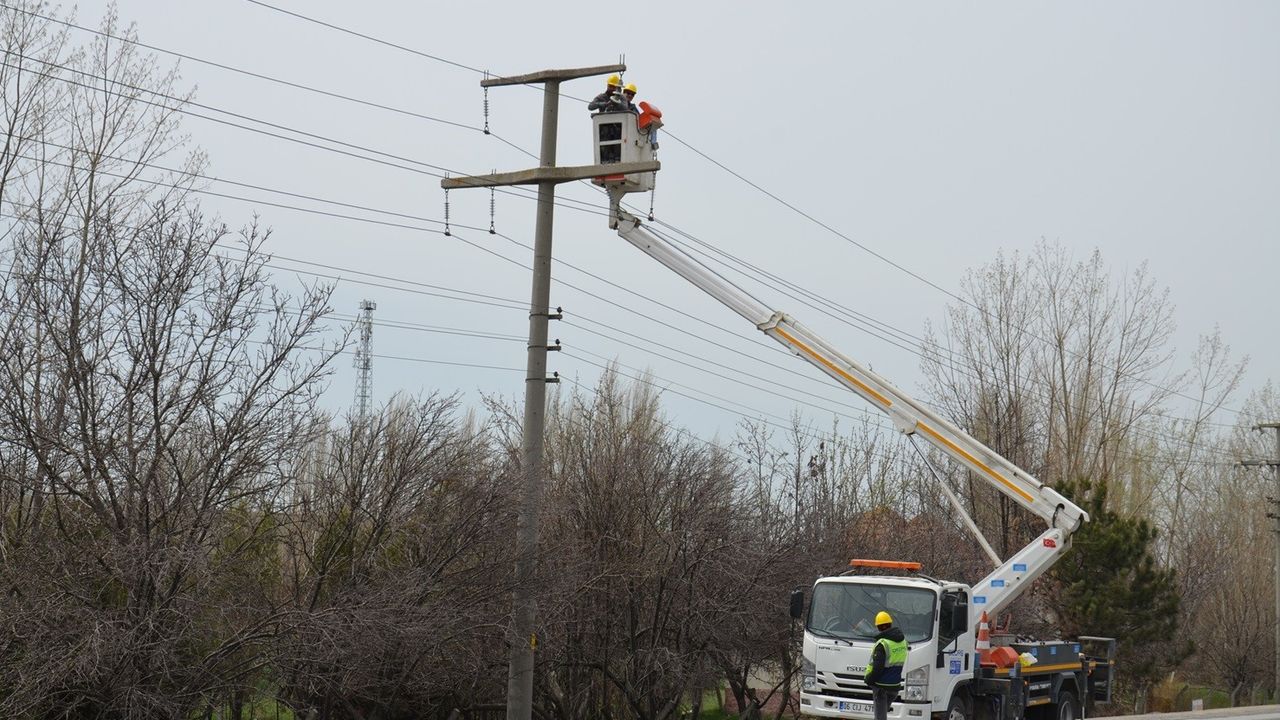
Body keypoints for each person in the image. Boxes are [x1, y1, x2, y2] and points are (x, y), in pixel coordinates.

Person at [863, 611, 909, 720]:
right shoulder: (903, 641)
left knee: (880, 717)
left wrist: (869, 679)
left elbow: (878, 667)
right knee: (882, 715)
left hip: (881, 686)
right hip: (894, 686)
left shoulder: (882, 644)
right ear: (890, 624)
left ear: (878, 627)